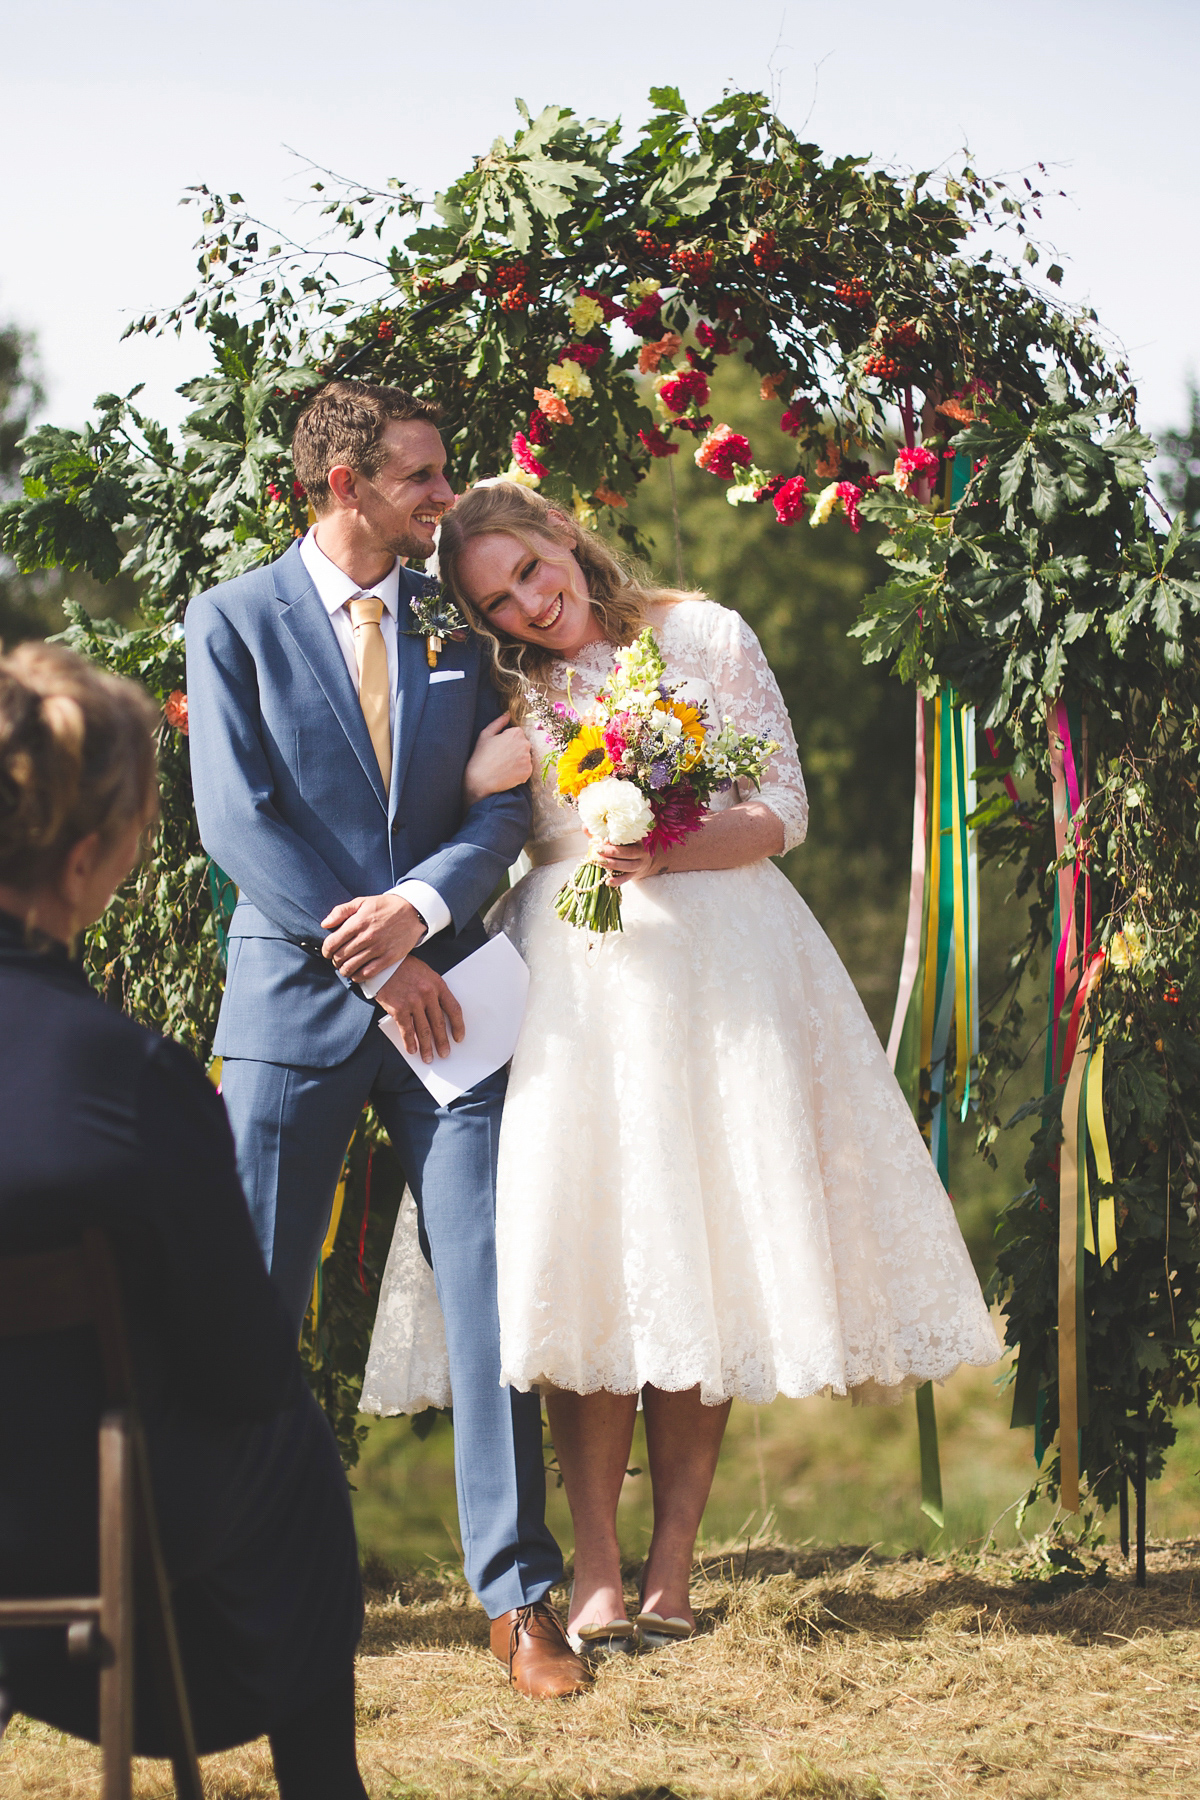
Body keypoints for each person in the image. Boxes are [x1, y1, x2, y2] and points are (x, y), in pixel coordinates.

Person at [368, 480, 1000, 1654]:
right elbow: (444, 827)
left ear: (564, 535)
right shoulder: (496, 688)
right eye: (497, 599)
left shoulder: (702, 634)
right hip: (574, 984)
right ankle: (594, 1572)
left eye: (532, 569)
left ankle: (673, 1570)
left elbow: (783, 810)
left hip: (722, 965)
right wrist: (471, 783)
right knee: (596, 1256)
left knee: (700, 1248)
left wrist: (668, 844)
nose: (529, 603)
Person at [184, 382, 588, 1697]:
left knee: (488, 1291)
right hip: (293, 1013)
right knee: (252, 1313)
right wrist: (377, 961)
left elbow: (500, 810)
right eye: (419, 475)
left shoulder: (458, 634)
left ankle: (521, 1603)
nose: (441, 493)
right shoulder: (232, 620)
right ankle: (216, 1593)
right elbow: (236, 825)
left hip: (451, 1013)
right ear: (344, 485)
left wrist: (419, 919)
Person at [0, 642, 368, 1795]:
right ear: (92, 856)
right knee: (294, 1449)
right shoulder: (126, 1079)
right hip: (78, 1530)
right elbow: (241, 1366)